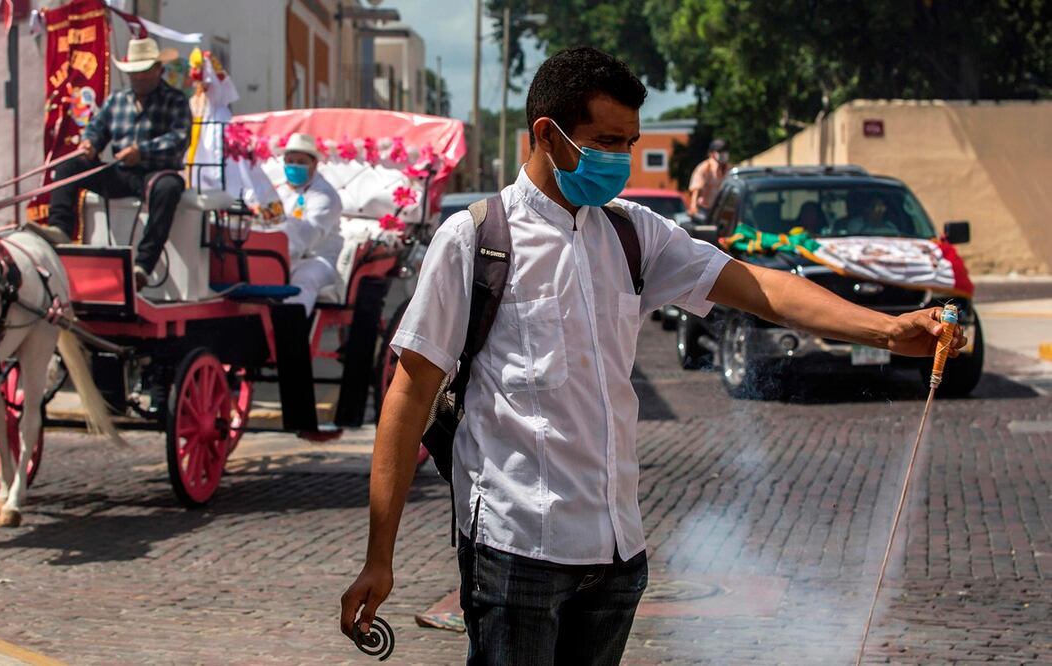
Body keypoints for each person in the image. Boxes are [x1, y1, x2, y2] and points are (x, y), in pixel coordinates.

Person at [340, 47, 966, 666]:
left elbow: (761, 287)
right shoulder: (477, 239)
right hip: (515, 551)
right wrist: (379, 556)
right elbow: (409, 394)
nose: (619, 159)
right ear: (546, 134)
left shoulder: (633, 233)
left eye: (630, 144)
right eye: (605, 141)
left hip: (617, 555)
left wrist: (885, 330)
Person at [41, 37, 191, 291]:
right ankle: (60, 230)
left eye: (144, 73)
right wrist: (89, 144)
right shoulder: (117, 100)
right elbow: (96, 129)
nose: (139, 79)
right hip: (121, 174)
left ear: (158, 70)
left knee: (169, 188)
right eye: (134, 74)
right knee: (68, 167)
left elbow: (179, 138)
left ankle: (143, 265)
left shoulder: (175, 100)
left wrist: (142, 152)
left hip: (156, 173)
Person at [272, 133, 344, 314]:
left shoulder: (325, 196)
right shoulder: (278, 190)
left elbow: (308, 236)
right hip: (280, 255)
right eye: (290, 161)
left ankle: (291, 331)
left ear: (314, 164)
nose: (294, 166)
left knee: (305, 279)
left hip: (317, 259)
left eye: (301, 161)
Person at [687, 138, 730, 216]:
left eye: (725, 151)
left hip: (722, 211)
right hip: (705, 210)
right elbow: (696, 189)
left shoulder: (729, 169)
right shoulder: (705, 168)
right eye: (720, 152)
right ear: (712, 153)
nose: (723, 154)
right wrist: (693, 207)